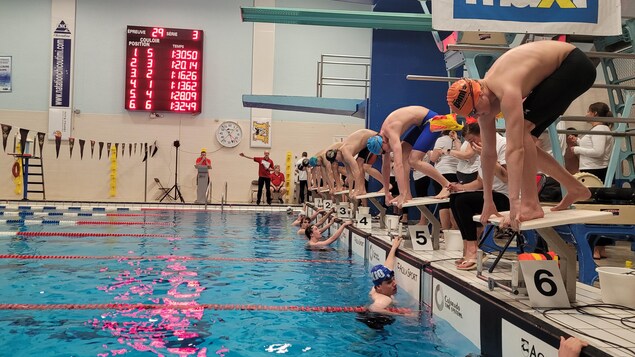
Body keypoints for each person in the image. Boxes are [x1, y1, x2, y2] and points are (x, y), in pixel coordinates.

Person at [447, 40, 596, 231]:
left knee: (521, 135)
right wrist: (488, 199)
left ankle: (531, 205)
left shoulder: (505, 88)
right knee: (526, 139)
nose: (475, 117)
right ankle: (575, 188)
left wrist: (514, 202)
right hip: (559, 70)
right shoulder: (483, 104)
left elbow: (514, 149)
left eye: (474, 111)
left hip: (574, 66)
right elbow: (488, 154)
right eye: (471, 115)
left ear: (481, 95)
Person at [366, 106, 463, 208]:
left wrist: (401, 193)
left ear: (384, 142)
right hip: (422, 124)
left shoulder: (391, 133)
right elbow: (385, 167)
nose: (386, 152)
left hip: (433, 121)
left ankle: (447, 185)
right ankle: (407, 194)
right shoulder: (382, 139)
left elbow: (398, 165)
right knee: (404, 154)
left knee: (413, 160)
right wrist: (386, 193)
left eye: (384, 151)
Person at [448, 123, 509, 271]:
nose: (471, 145)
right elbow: (480, 183)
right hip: (490, 195)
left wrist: (486, 157)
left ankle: (473, 251)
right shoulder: (483, 149)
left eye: (471, 140)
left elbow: (506, 178)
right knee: (455, 198)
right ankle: (467, 247)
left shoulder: (503, 145)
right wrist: (459, 187)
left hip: (507, 198)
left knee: (463, 202)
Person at [572, 102, 615, 260]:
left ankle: (595, 248)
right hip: (593, 170)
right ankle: (599, 247)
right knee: (598, 209)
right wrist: (577, 141)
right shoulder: (599, 129)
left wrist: (577, 149)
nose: (586, 113)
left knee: (593, 210)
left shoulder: (599, 129)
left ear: (595, 113)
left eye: (588, 111)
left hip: (595, 173)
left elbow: (598, 152)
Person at [326, 129, 386, 198]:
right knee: (359, 164)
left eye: (336, 159)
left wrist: (356, 190)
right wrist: (350, 190)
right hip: (365, 143)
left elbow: (356, 171)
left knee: (365, 167)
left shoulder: (345, 152)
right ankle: (362, 190)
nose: (337, 161)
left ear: (337, 153)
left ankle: (386, 185)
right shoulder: (343, 157)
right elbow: (349, 174)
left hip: (373, 139)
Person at [368, 236, 412, 315]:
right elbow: (373, 308)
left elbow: (388, 266)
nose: (394, 283)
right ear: (379, 287)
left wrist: (394, 247)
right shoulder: (384, 299)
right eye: (389, 282)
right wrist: (402, 314)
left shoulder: (375, 288)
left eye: (393, 279)